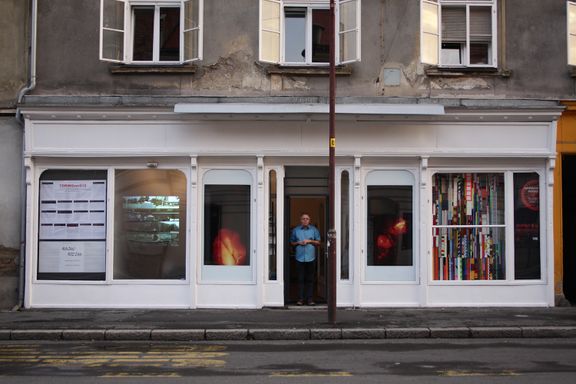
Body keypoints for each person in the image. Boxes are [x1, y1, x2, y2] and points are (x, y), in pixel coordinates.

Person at [290, 213, 321, 306]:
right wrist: (298, 242)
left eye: (307, 219)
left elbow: (319, 242)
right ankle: (300, 299)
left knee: (310, 280)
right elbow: (291, 242)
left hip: (311, 258)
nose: (305, 220)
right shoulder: (296, 230)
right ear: (300, 220)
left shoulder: (314, 230)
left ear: (309, 220)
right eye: (303, 218)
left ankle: (310, 299)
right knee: (300, 279)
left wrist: (310, 241)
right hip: (299, 258)